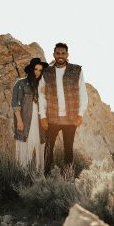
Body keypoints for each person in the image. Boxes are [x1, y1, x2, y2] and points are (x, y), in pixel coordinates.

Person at [38, 43, 88, 175]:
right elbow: (41, 95)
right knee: (48, 148)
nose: (60, 56)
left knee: (68, 149)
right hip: (52, 117)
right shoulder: (47, 72)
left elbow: (83, 93)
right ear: (54, 54)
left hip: (70, 118)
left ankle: (67, 177)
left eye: (63, 53)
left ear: (67, 55)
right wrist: (42, 116)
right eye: (58, 53)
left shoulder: (76, 70)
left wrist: (80, 114)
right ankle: (46, 176)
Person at [11, 57, 49, 170]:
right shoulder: (20, 84)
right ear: (31, 70)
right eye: (36, 69)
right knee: (23, 148)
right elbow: (15, 104)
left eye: (40, 70)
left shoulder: (41, 86)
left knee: (38, 147)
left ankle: (38, 176)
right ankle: (22, 176)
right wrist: (19, 121)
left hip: (38, 124)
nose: (37, 72)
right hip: (25, 122)